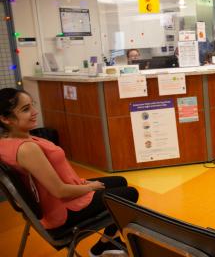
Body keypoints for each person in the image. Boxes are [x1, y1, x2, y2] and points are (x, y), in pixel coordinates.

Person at [0, 88, 139, 257]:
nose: (35, 112)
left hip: (54, 199)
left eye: (32, 106)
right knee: (130, 194)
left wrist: (81, 182)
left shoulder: (8, 141)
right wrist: (90, 187)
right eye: (25, 109)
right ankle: (103, 245)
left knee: (119, 181)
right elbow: (60, 191)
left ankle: (107, 243)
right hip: (62, 210)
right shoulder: (27, 149)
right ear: (5, 118)